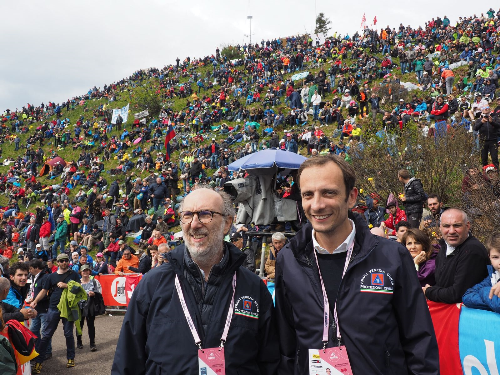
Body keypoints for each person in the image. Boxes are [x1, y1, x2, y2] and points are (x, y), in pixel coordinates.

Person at [275, 155, 438, 374]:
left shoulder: (392, 256)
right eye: (308, 195)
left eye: (328, 192)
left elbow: (419, 340)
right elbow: (286, 343)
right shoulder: (288, 258)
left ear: (351, 197)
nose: (317, 205)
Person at [112, 187, 279, 374]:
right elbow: (127, 361)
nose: (194, 224)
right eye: (188, 215)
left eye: (205, 214)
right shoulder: (152, 284)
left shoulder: (253, 287)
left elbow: (270, 363)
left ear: (227, 223)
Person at [423, 208, 489, 303]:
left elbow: (457, 294)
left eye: (457, 225)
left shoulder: (472, 251)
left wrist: (429, 292)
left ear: (467, 226)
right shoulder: (444, 246)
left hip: (465, 313)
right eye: (446, 226)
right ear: (440, 227)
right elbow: (441, 283)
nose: (451, 231)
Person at [30, 253, 81, 374]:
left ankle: (70, 358)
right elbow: (44, 291)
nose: (64, 262)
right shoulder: (51, 276)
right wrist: (35, 301)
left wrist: (67, 285)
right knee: (46, 335)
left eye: (66, 260)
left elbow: (79, 289)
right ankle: (39, 361)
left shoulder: (73, 274)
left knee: (68, 334)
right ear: (57, 263)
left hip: (68, 308)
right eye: (61, 261)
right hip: (53, 308)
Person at [463, 232, 500, 313]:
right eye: (495, 257)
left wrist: (483, 291)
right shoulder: (493, 276)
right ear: (489, 257)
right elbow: (467, 296)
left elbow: (498, 304)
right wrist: (490, 294)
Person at [28, 259, 53, 360]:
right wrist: (32, 299)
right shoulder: (34, 277)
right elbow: (35, 291)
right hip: (36, 309)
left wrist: (35, 300)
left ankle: (47, 351)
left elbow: (45, 292)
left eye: (30, 268)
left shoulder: (45, 277)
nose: (29, 271)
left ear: (36, 268)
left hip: (45, 308)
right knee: (33, 330)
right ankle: (37, 350)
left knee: (45, 331)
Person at [76, 265, 102, 352]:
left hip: (90, 305)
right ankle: (79, 342)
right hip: (79, 306)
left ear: (89, 272)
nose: (85, 272)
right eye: (84, 271)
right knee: (79, 325)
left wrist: (94, 293)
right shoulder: (77, 283)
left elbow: (99, 292)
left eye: (87, 270)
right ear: (81, 272)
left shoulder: (94, 282)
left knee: (91, 325)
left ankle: (92, 343)